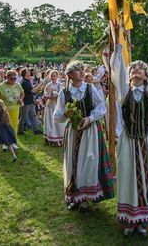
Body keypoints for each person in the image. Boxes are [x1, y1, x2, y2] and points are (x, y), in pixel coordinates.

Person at [110, 20, 148, 236]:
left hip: (146, 139)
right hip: (128, 140)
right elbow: (116, 69)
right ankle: (130, 220)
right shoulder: (124, 93)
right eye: (133, 68)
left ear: (146, 75)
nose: (136, 70)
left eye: (141, 69)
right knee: (127, 175)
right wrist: (117, 41)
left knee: (147, 174)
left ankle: (144, 221)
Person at [54, 60, 114, 213]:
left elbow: (101, 107)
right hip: (73, 132)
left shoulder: (89, 88)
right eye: (77, 70)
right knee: (73, 162)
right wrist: (65, 114)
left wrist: (89, 118)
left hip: (90, 132)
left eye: (82, 69)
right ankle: (74, 196)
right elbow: (57, 115)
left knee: (89, 161)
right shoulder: (64, 92)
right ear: (69, 75)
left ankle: (85, 199)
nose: (82, 72)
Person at [0, 70, 24, 136]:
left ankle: (13, 140)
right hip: (4, 109)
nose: (13, 80)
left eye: (15, 78)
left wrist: (21, 99)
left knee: (14, 124)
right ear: (6, 77)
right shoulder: (1, 86)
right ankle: (5, 141)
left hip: (15, 108)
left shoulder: (17, 85)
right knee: (4, 125)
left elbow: (22, 93)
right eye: (11, 78)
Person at [43, 70, 66, 146]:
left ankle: (60, 139)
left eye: (55, 76)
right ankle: (50, 139)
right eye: (52, 76)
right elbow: (45, 95)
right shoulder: (48, 85)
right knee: (50, 122)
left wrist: (55, 94)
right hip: (50, 105)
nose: (53, 77)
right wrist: (50, 94)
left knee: (59, 122)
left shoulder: (60, 84)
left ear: (57, 76)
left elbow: (62, 94)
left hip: (58, 105)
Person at [18, 68, 41, 135]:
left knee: (33, 116)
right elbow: (33, 90)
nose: (29, 72)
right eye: (28, 71)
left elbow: (31, 91)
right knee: (23, 118)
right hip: (25, 102)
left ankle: (36, 130)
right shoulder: (24, 82)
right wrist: (41, 84)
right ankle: (20, 131)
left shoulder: (27, 81)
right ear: (25, 74)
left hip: (30, 101)